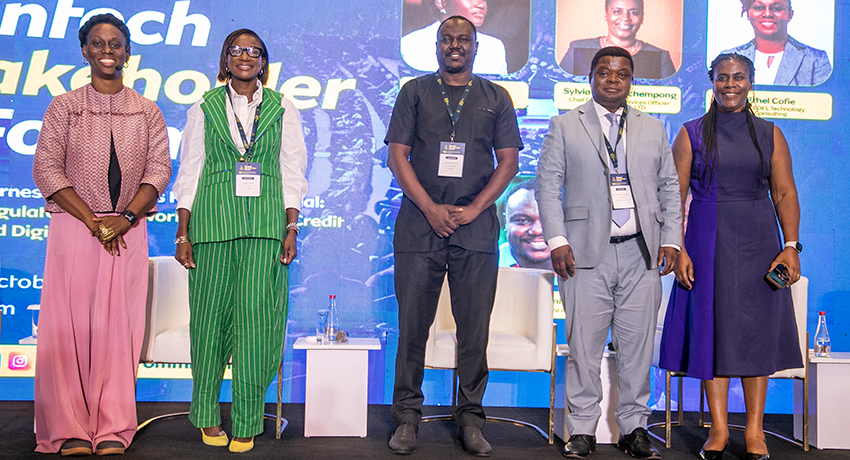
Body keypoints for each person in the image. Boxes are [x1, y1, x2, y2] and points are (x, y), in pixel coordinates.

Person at [31, 13, 171, 456]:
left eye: (116, 44)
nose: (107, 51)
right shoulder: (65, 107)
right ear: (85, 50)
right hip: (76, 230)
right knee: (69, 327)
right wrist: (95, 222)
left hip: (128, 230)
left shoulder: (147, 110)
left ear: (127, 52)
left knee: (119, 331)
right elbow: (46, 169)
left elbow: (159, 170)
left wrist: (125, 218)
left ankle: (112, 427)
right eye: (98, 43)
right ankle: (68, 427)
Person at [385, 15, 521, 457]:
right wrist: (431, 208)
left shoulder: (496, 97)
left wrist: (474, 209)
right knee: (412, 329)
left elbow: (508, 163)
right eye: (448, 39)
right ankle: (407, 417)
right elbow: (397, 156)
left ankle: (471, 419)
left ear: (476, 47)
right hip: (419, 225)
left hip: (476, 228)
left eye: (464, 39)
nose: (455, 46)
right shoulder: (415, 92)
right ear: (438, 45)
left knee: (474, 331)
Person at [535, 46, 681, 459]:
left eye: (621, 74)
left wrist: (671, 239)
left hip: (641, 253)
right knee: (583, 347)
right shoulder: (565, 125)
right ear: (591, 78)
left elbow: (669, 187)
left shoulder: (652, 127)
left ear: (632, 81)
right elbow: (547, 185)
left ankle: (634, 428)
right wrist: (557, 241)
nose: (612, 80)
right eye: (604, 72)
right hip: (583, 254)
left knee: (637, 349)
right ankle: (581, 430)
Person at [658, 53, 803, 460]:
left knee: (755, 334)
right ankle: (719, 430)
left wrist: (790, 247)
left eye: (738, 77)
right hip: (707, 239)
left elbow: (785, 193)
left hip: (760, 241)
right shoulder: (690, 133)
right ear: (712, 82)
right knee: (713, 333)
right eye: (722, 78)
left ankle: (755, 431)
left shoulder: (770, 134)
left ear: (750, 82)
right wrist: (680, 246)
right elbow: (675, 195)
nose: (730, 85)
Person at [172, 28, 308, 453]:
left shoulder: (283, 107)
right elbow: (190, 171)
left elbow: (292, 170)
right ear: (225, 59)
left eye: (254, 51)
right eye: (237, 50)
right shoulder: (204, 107)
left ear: (263, 61)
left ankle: (248, 418)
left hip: (266, 229)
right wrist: (183, 232)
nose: (245, 57)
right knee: (209, 324)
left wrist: (291, 226)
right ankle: (207, 416)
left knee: (257, 327)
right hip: (211, 227)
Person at [721, 0, 831, 86]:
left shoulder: (816, 60)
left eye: (777, 8)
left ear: (790, 15)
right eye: (759, 7)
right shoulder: (728, 58)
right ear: (748, 14)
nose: (767, 14)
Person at [559, 0, 676, 79]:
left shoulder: (660, 57)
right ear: (606, 14)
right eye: (617, 11)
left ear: (642, 17)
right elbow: (559, 89)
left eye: (633, 13)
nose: (625, 18)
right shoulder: (579, 49)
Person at [401, 0, 508, 75]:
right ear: (442, 3)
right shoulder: (411, 45)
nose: (481, 5)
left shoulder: (494, 47)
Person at [499, 180, 551, 269]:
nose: (537, 230)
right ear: (505, 223)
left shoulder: (581, 267)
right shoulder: (483, 266)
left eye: (550, 220)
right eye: (523, 221)